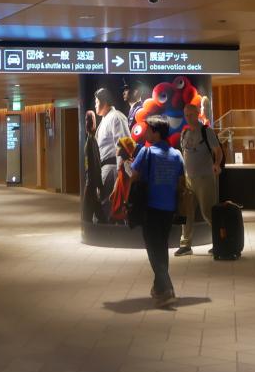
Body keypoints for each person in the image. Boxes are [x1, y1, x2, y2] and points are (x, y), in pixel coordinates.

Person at [127, 115, 184, 307]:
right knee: (161, 247)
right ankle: (159, 288)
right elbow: (181, 183)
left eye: (148, 130)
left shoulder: (146, 152)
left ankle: (167, 289)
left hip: (150, 208)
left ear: (156, 132)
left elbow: (134, 176)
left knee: (153, 249)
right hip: (169, 209)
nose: (145, 133)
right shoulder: (177, 154)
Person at [175, 102, 223, 256]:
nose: (188, 117)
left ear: (197, 114)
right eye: (186, 115)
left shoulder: (206, 131)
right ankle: (185, 245)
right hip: (189, 180)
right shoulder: (185, 133)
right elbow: (185, 154)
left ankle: (220, 242)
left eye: (191, 114)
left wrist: (216, 164)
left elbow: (218, 150)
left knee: (208, 212)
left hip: (205, 179)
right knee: (186, 213)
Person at [94, 88, 128, 222]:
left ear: (105, 102)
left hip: (113, 167)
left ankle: (107, 230)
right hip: (105, 167)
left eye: (97, 102)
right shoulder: (105, 119)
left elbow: (124, 145)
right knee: (105, 205)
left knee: (108, 206)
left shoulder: (116, 117)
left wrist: (121, 173)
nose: (95, 105)